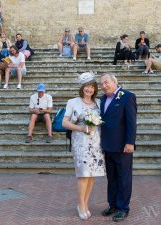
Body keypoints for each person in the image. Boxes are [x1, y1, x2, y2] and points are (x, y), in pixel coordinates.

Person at [62, 72, 106, 220]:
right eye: (87, 86)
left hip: (96, 144)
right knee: (83, 175)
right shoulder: (73, 102)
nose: (89, 89)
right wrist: (82, 128)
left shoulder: (99, 103)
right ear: (82, 87)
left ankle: (85, 204)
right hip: (80, 143)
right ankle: (81, 205)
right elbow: (65, 122)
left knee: (91, 175)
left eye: (92, 86)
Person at [100, 74, 137, 222]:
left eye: (106, 82)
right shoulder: (103, 98)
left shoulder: (127, 96)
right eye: (101, 83)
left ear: (114, 82)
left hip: (123, 146)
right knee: (112, 178)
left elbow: (132, 122)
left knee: (123, 178)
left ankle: (123, 208)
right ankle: (113, 204)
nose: (103, 86)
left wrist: (130, 142)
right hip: (108, 146)